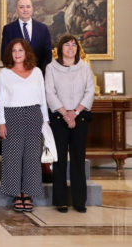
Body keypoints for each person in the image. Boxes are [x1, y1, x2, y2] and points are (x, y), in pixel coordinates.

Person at [0, 39, 49, 212]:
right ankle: (16, 194)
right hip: (12, 116)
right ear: (10, 54)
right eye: (14, 51)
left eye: (20, 50)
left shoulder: (37, 72)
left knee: (32, 157)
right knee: (13, 157)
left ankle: (28, 193)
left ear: (26, 52)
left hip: (34, 115)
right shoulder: (4, 73)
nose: (17, 54)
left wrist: (45, 122)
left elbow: (42, 98)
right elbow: (0, 100)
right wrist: (1, 122)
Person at [45, 35, 95, 213]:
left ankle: (79, 201)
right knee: (59, 161)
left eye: (74, 45)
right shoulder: (51, 68)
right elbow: (50, 93)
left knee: (78, 160)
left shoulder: (84, 67)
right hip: (59, 119)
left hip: (80, 119)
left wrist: (75, 112)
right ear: (60, 48)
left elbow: (90, 91)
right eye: (67, 45)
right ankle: (61, 201)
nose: (71, 48)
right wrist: (65, 113)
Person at [1, 0, 52, 73]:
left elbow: (48, 55)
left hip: (38, 74)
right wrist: (16, 71)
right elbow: (5, 54)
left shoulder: (43, 28)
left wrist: (39, 72)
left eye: (28, 7)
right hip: (16, 75)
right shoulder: (8, 29)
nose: (25, 10)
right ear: (16, 10)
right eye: (21, 7)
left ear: (32, 9)